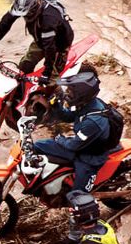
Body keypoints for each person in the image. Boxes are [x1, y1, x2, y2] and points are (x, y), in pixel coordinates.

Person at [31, 67, 123, 202]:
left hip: (89, 157)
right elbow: (69, 117)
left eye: (71, 92)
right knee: (38, 145)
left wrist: (59, 139)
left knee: (78, 198)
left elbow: (74, 145)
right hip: (80, 144)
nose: (68, 94)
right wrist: (56, 105)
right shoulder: (86, 104)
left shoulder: (93, 122)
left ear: (82, 95)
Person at [0, 0, 75, 81]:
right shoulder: (22, 5)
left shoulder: (48, 18)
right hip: (40, 39)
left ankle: (61, 93)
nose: (25, 16)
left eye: (27, 13)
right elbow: (5, 22)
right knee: (24, 66)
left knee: (51, 80)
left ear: (36, 6)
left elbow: (50, 47)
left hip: (59, 43)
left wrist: (46, 73)